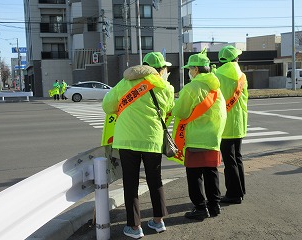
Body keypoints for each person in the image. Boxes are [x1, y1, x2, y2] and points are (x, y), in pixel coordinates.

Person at [102, 52, 174, 239]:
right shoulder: (165, 86)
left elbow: (107, 106)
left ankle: (134, 227)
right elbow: (167, 109)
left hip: (127, 140)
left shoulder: (124, 84)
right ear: (160, 69)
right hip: (152, 139)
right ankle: (158, 222)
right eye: (164, 68)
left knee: (131, 183)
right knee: (155, 180)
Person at [172, 51, 227, 221]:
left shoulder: (192, 88)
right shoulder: (216, 88)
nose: (189, 71)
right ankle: (214, 205)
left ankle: (200, 208)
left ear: (195, 69)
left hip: (196, 138)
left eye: (190, 68)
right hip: (213, 138)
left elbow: (180, 111)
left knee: (194, 175)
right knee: (211, 172)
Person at [215, 45, 248, 204]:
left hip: (225, 124)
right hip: (239, 122)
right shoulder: (242, 75)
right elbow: (245, 98)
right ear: (235, 59)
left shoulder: (217, 76)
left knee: (229, 160)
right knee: (238, 157)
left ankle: (234, 194)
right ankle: (241, 189)